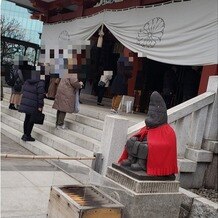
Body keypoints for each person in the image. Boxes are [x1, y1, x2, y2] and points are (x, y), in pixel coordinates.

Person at [118, 91, 178, 176]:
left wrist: (151, 143)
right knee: (132, 140)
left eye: (152, 116)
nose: (149, 117)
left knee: (145, 146)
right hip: (146, 140)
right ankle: (131, 159)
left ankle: (141, 164)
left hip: (152, 145)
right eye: (149, 115)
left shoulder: (167, 130)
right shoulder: (149, 127)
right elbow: (142, 133)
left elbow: (166, 145)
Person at [18, 72, 45, 141]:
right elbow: (40, 95)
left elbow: (23, 91)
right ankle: (28, 135)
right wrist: (40, 105)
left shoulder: (27, 81)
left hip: (26, 103)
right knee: (31, 120)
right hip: (34, 104)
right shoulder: (40, 83)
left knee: (27, 118)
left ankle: (25, 134)